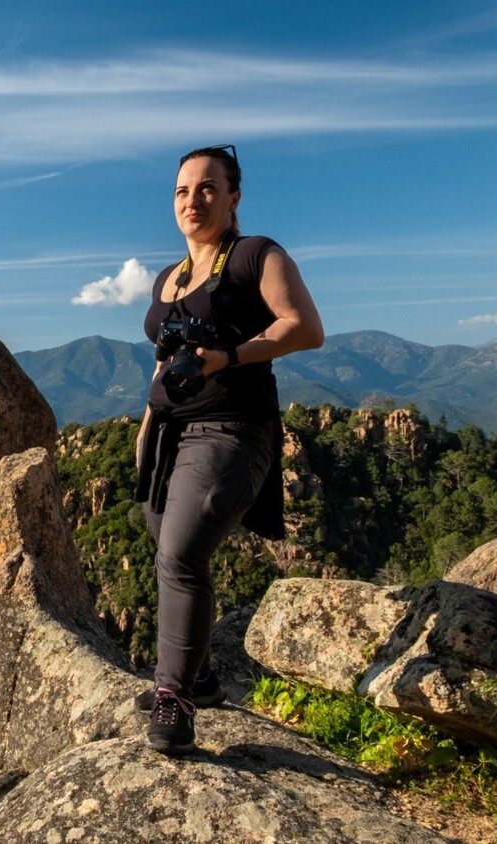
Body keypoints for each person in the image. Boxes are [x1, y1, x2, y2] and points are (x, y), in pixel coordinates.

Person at [133, 145, 324, 755]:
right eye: (183, 190)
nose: (193, 200)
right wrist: (145, 424)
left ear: (234, 196)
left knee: (183, 551)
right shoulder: (170, 277)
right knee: (167, 547)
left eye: (208, 188)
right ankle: (203, 676)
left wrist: (230, 355)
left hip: (233, 429)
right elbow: (163, 357)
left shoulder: (255, 255)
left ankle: (175, 698)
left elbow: (305, 326)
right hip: (169, 433)